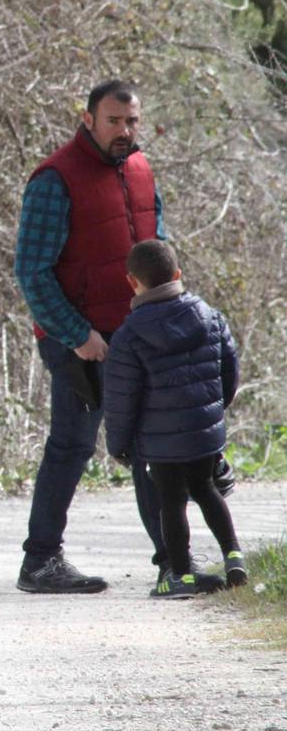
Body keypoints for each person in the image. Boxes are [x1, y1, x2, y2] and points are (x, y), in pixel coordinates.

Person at [14, 79, 173, 594]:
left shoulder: (141, 169)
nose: (124, 131)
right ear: (88, 120)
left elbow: (159, 252)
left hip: (138, 333)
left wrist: (169, 316)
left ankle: (174, 563)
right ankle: (40, 562)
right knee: (73, 445)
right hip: (79, 340)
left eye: (132, 121)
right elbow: (32, 271)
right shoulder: (54, 179)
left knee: (152, 444)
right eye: (114, 121)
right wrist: (77, 335)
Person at [104, 239, 244, 597]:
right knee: (207, 489)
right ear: (178, 274)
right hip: (203, 432)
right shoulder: (211, 317)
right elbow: (229, 373)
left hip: (159, 441)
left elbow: (121, 399)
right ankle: (234, 557)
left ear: (132, 281)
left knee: (171, 502)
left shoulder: (128, 337)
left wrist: (118, 445)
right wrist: (212, 412)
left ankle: (180, 576)